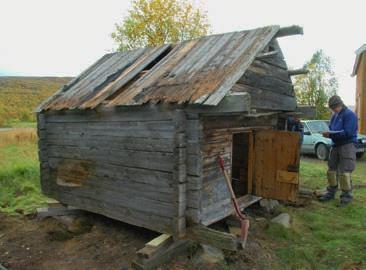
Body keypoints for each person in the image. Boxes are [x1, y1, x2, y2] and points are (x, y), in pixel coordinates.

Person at [319, 95, 358, 206]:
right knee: (331, 170)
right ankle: (330, 193)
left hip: (347, 145)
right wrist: (328, 134)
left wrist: (331, 135)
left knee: (344, 172)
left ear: (340, 104)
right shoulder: (334, 116)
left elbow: (348, 133)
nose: (334, 109)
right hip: (335, 145)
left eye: (335, 107)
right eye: (332, 108)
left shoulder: (350, 115)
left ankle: (346, 197)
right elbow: (331, 129)